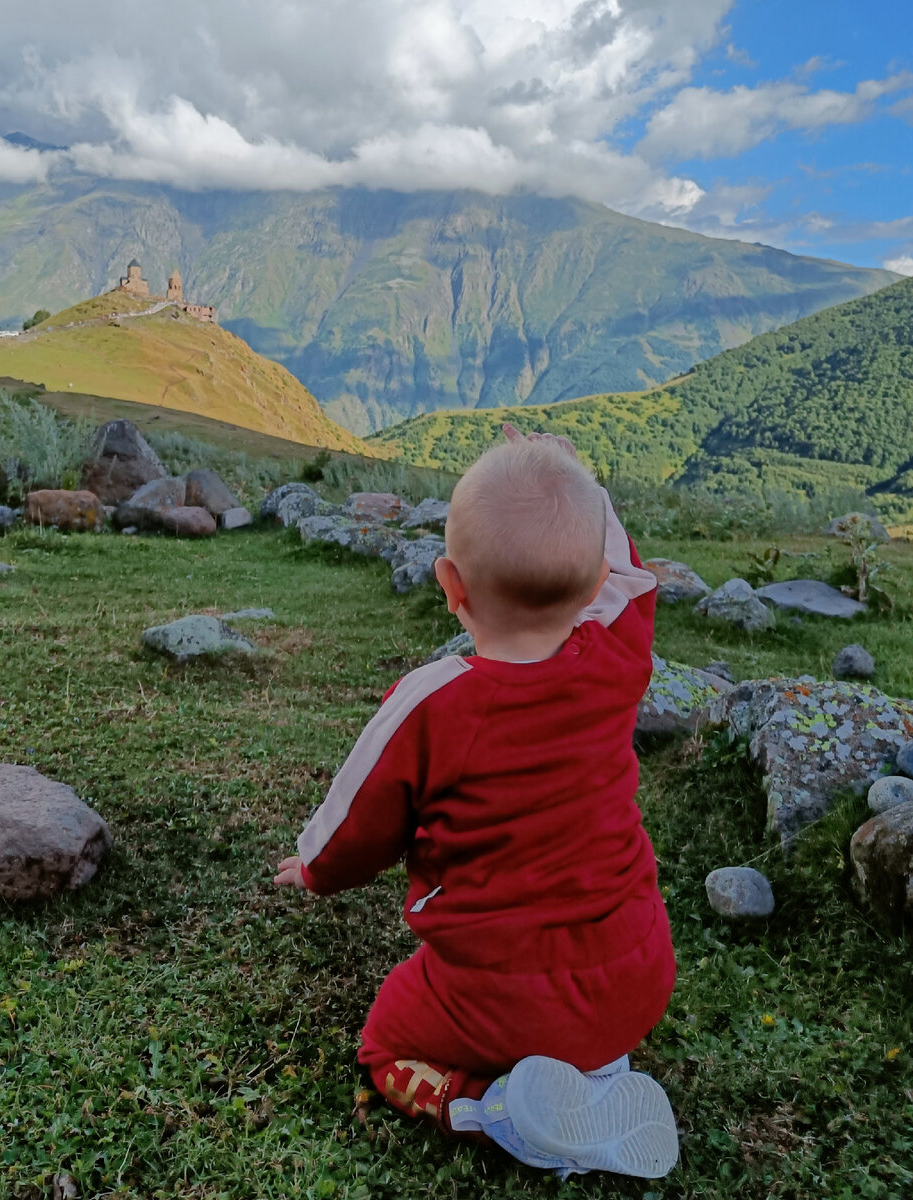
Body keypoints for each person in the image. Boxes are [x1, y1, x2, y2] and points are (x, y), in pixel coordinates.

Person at [272, 429, 679, 1178]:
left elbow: (360, 821)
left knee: (384, 1048)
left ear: (449, 584)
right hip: (637, 975)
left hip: (497, 999)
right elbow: (624, 566)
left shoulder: (433, 705)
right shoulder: (620, 653)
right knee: (587, 1009)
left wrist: (314, 869)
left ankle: (492, 1113)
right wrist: (573, 474)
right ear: (593, 587)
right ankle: (596, 1071)